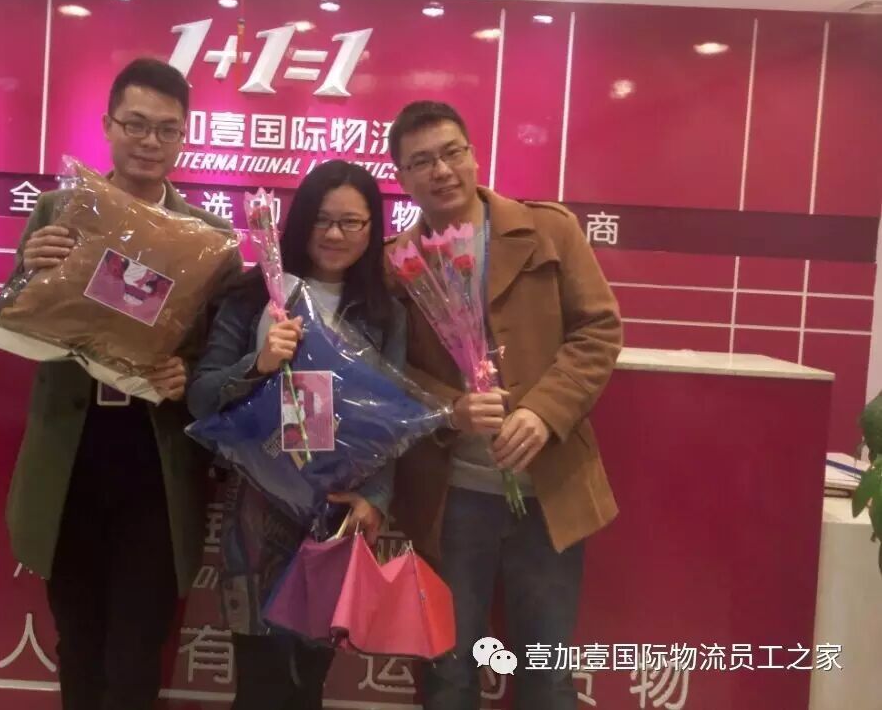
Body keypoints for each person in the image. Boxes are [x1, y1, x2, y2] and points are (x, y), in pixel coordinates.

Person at [0, 58, 240, 710]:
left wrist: (188, 373)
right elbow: (12, 313)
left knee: (136, 650)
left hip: (154, 463)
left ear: (184, 136)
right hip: (70, 455)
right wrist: (27, 269)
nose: (149, 141)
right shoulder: (60, 209)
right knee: (77, 638)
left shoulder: (208, 241)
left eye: (166, 129)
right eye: (135, 124)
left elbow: (220, 354)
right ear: (108, 126)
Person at [384, 101, 623, 710]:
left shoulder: (547, 230)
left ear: (473, 154)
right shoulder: (397, 264)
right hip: (450, 498)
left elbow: (598, 331)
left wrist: (544, 411)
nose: (441, 170)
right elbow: (388, 371)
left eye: (451, 153)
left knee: (545, 673)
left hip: (549, 491)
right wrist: (451, 408)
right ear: (402, 177)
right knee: (448, 674)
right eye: (421, 161)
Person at [187, 160, 407, 710]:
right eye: (321, 219)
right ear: (300, 220)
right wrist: (258, 364)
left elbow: (391, 421)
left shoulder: (385, 313)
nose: (334, 234)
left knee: (308, 681)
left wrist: (376, 499)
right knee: (259, 681)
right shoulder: (252, 296)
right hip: (256, 506)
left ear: (372, 229)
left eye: (351, 222)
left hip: (335, 509)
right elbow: (201, 395)